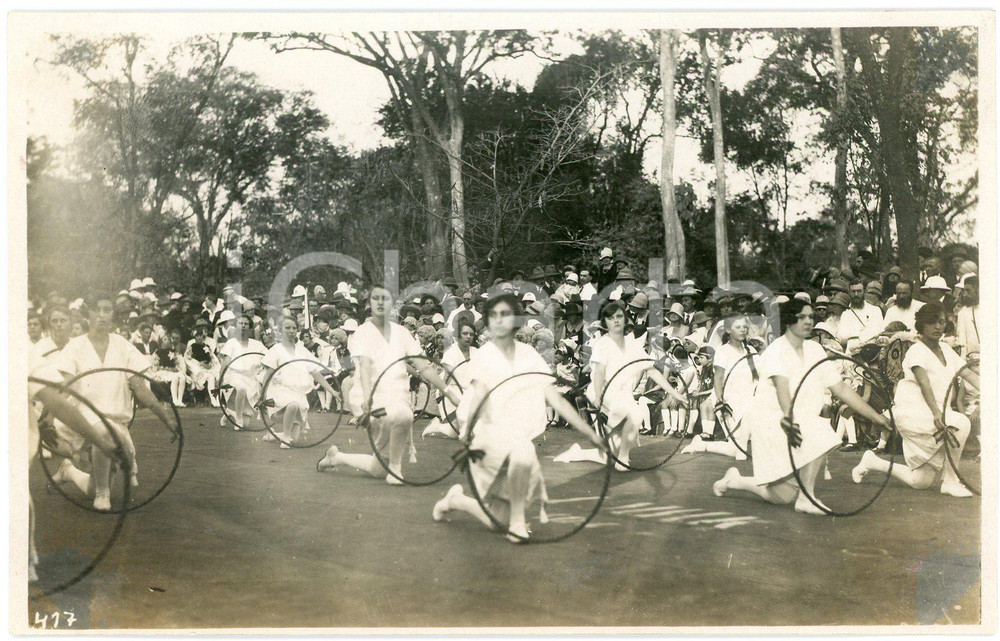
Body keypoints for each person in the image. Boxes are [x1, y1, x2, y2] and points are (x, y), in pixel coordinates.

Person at [431, 293, 606, 542]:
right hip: (488, 434)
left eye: (505, 314)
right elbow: (478, 394)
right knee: (521, 456)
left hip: (516, 432)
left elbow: (554, 397)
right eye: (494, 315)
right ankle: (514, 521)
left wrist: (588, 432)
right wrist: (466, 431)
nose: (499, 320)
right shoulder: (484, 354)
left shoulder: (529, 354)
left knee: (498, 520)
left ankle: (459, 502)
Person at [711, 299, 892, 515]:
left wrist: (875, 416)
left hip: (798, 419)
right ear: (789, 321)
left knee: (781, 495)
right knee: (820, 432)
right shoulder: (776, 351)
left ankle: (733, 480)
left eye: (810, 317)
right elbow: (782, 388)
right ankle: (807, 499)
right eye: (802, 317)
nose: (808, 321)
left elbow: (841, 388)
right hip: (773, 422)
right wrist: (790, 419)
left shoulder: (815, 349)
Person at [317, 287, 460, 484]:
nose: (380, 303)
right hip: (370, 397)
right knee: (401, 415)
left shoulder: (402, 333)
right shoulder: (363, 332)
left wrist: (449, 392)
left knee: (378, 469)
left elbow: (423, 366)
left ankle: (337, 458)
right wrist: (368, 398)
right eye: (376, 299)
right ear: (370, 304)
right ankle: (395, 469)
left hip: (398, 395)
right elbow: (364, 367)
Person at [53, 293, 177, 511]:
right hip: (80, 419)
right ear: (88, 314)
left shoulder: (122, 346)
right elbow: (66, 388)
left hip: (114, 421)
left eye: (107, 310)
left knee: (94, 482)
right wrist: (47, 415)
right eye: (97, 310)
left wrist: (167, 419)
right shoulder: (75, 346)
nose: (102, 315)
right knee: (104, 432)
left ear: (113, 314)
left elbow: (141, 390)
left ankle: (69, 472)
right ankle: (103, 493)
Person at [851, 303, 979, 498]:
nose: (938, 326)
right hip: (914, 413)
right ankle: (950, 482)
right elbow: (924, 383)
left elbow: (968, 374)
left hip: (934, 413)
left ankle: (872, 461)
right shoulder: (916, 351)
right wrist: (936, 413)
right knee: (961, 423)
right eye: (932, 322)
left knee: (920, 481)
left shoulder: (946, 349)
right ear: (921, 325)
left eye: (941, 322)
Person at [683, 314, 759, 461]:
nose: (743, 330)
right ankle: (702, 445)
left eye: (744, 327)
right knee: (738, 452)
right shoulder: (723, 351)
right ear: (729, 330)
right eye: (738, 327)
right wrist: (720, 401)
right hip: (728, 401)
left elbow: (759, 376)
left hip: (750, 400)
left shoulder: (751, 350)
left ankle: (702, 445)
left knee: (739, 451)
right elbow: (718, 377)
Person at [259, 316, 338, 448]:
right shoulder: (276, 349)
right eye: (287, 328)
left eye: (294, 328)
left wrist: (332, 391)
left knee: (294, 439)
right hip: (279, 391)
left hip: (298, 393)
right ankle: (285, 437)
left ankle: (276, 435)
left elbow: (315, 372)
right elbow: (268, 374)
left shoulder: (301, 350)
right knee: (293, 404)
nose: (291, 331)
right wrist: (262, 395)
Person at [218, 315, 266, 430]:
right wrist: (220, 379)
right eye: (240, 323)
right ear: (236, 326)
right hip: (233, 377)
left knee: (246, 425)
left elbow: (268, 359)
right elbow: (225, 363)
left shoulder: (257, 345)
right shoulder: (231, 343)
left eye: (246, 324)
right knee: (242, 387)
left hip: (251, 380)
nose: (243, 326)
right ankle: (238, 418)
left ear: (250, 327)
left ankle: (229, 412)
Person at [185, 320, 221, 406]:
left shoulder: (206, 346)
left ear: (203, 336)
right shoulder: (192, 346)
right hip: (198, 369)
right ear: (195, 337)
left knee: (213, 377)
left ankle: (215, 400)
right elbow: (188, 359)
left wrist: (210, 365)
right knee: (209, 377)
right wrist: (199, 364)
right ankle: (212, 400)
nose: (199, 338)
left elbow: (212, 357)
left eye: (200, 335)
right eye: (197, 336)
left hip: (208, 368)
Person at [149, 329, 188, 407]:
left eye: (168, 339)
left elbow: (176, 364)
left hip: (172, 371)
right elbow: (155, 366)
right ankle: (174, 400)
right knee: (175, 378)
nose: (167, 341)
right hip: (163, 372)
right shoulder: (158, 352)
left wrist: (174, 369)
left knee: (182, 378)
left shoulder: (173, 351)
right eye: (165, 339)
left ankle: (180, 400)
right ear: (161, 342)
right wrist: (164, 368)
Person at [954, 275, 979, 355]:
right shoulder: (963, 312)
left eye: (968, 290)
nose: (964, 295)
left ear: (978, 289)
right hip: (971, 358)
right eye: (964, 291)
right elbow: (962, 342)